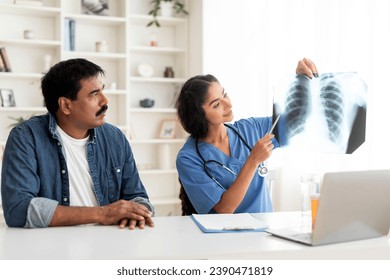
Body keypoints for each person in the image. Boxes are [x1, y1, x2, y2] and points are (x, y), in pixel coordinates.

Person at [1, 58, 154, 229]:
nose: (105, 101)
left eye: (102, 91)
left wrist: (138, 211)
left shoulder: (115, 137)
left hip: (112, 243)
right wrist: (102, 213)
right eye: (94, 94)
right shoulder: (27, 137)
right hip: (53, 248)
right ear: (65, 105)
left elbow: (138, 197)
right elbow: (18, 210)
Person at [176, 58, 318, 215]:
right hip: (224, 236)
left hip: (264, 233)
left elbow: (298, 121)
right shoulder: (188, 158)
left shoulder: (251, 129)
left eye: (225, 95)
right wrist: (253, 160)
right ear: (198, 115)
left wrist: (301, 82)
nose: (228, 104)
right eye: (216, 104)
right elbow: (224, 209)